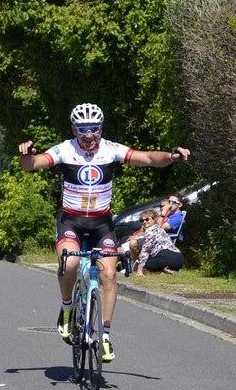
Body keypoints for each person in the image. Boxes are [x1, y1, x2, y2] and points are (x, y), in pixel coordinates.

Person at [18, 102, 190, 363]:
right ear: (74, 129)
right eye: (83, 129)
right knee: (70, 262)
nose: (89, 135)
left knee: (109, 274)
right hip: (71, 221)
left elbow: (146, 158)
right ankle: (67, 308)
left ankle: (106, 336)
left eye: (94, 129)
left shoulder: (110, 149)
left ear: (101, 128)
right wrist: (26, 155)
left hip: (101, 223)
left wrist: (170, 156)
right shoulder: (66, 149)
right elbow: (32, 164)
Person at [132, 208, 184, 276]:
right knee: (153, 262)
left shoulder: (150, 231)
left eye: (147, 219)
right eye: (142, 220)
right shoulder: (160, 229)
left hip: (165, 257)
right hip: (179, 258)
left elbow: (146, 250)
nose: (144, 222)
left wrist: (139, 269)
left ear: (154, 218)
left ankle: (162, 272)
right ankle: (171, 270)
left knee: (143, 268)